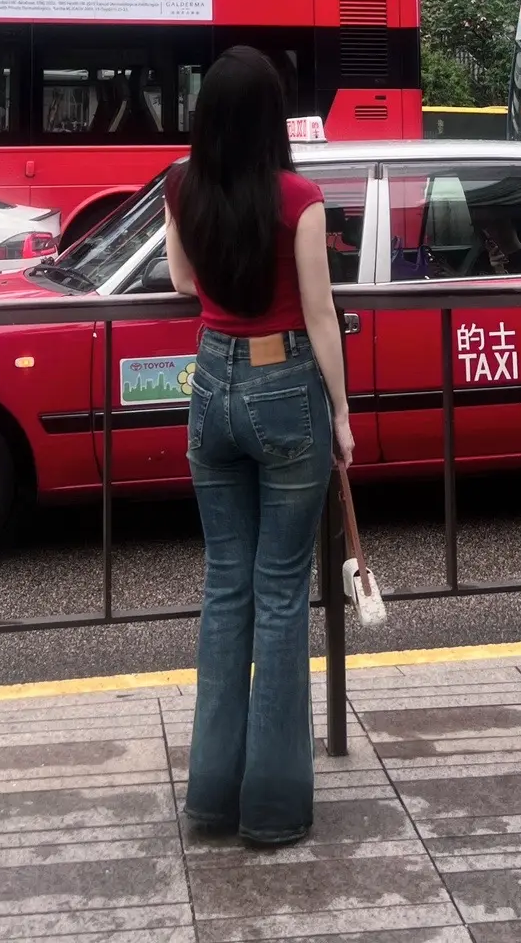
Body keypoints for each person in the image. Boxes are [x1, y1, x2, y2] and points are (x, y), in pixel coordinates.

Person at [164, 46, 353, 847]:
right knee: (280, 595)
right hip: (284, 385)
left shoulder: (182, 186)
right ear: (273, 117)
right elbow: (319, 311)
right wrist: (341, 412)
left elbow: (181, 282)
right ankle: (271, 808)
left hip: (210, 382)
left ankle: (211, 796)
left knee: (225, 589)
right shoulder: (299, 199)